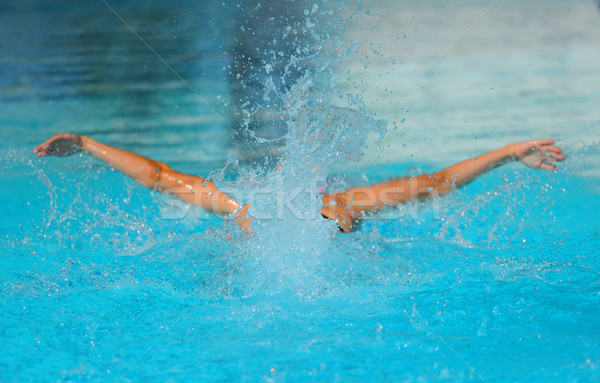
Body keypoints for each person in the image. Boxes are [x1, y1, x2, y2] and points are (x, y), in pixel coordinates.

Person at [33, 133, 564, 233]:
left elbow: (438, 181)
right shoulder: (241, 206)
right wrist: (83, 143)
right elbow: (439, 182)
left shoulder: (240, 207)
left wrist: (510, 153)